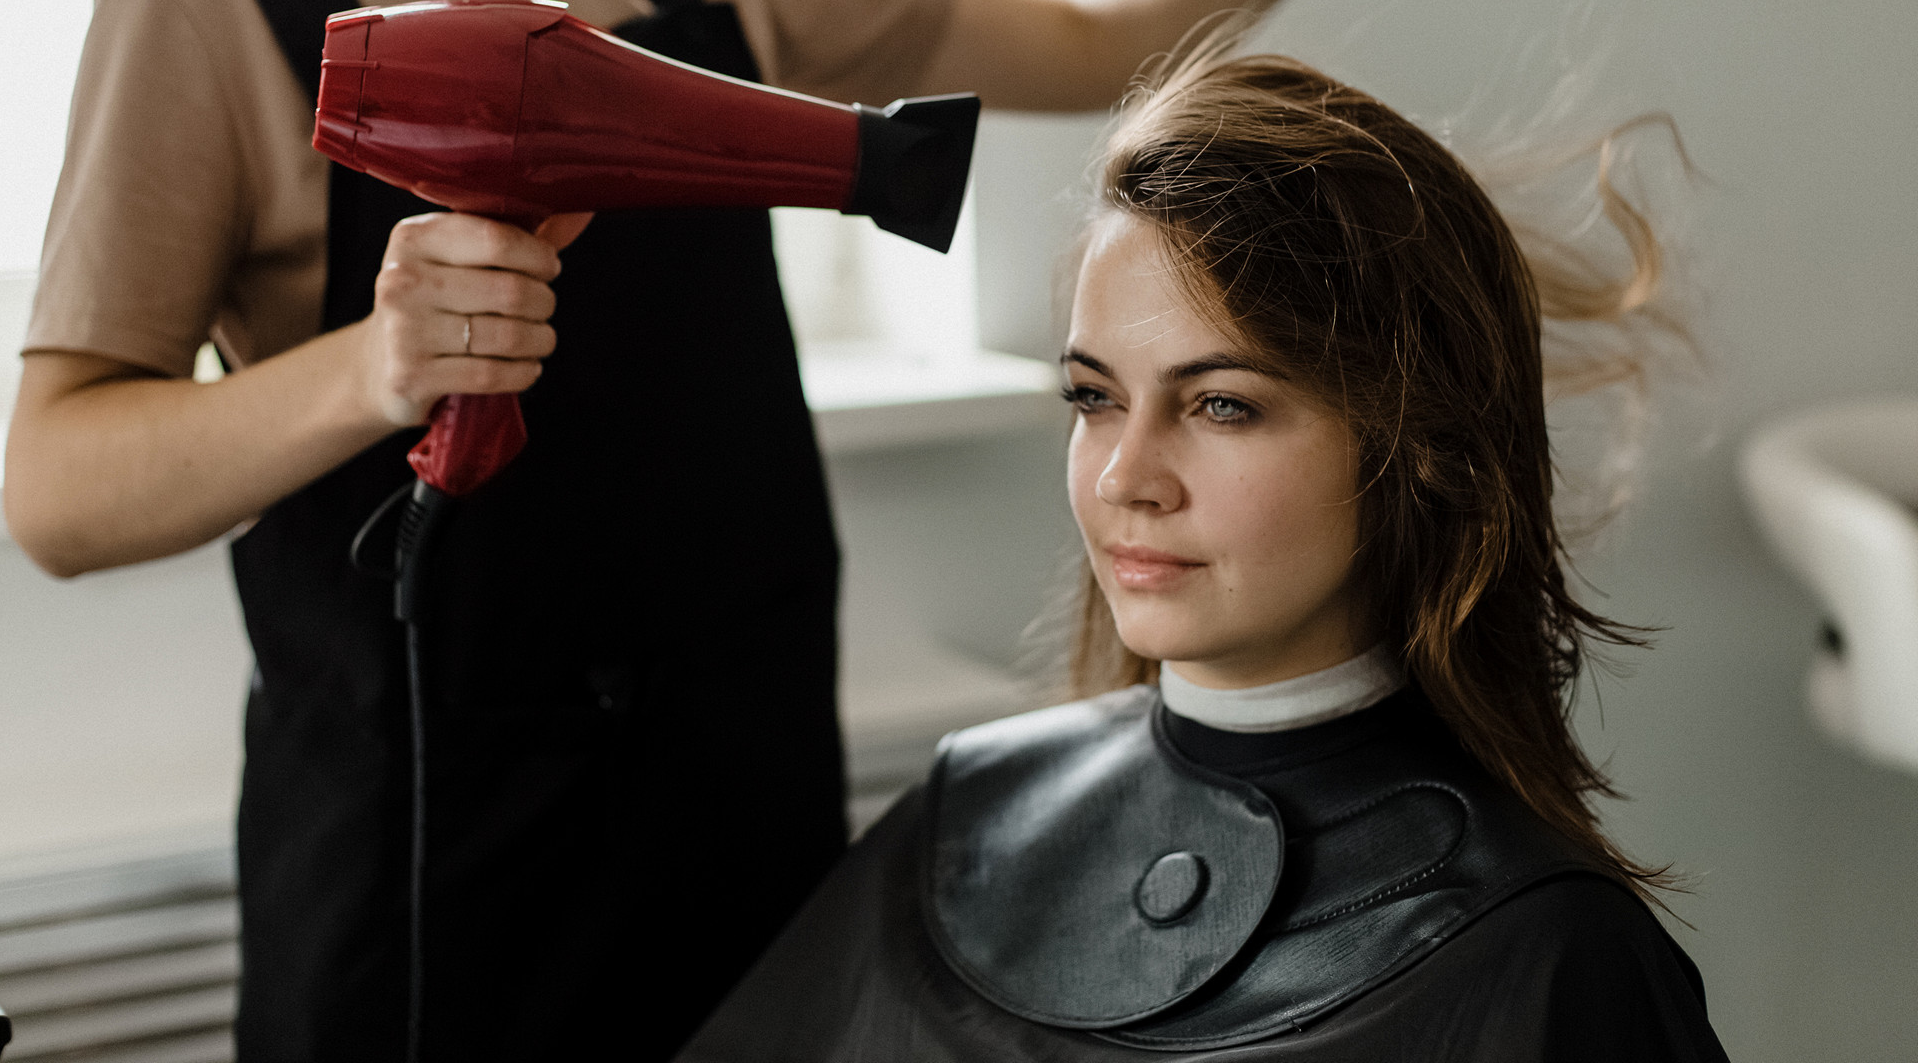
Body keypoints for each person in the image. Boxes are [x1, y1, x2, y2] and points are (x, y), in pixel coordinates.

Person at [1, 0, 1437, 1057]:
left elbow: (1086, 35)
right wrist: (374, 369)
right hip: (427, 877)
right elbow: (57, 487)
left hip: (742, 827)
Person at [676, 51, 1730, 1062]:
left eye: (1222, 404)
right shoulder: (961, 819)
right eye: (1095, 396)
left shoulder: (1545, 949)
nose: (1126, 475)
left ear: (1417, 449)